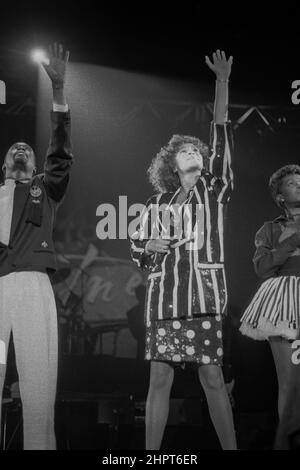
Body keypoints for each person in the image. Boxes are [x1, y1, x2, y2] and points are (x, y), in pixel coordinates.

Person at [130, 50, 236, 450]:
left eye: (198, 151)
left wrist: (221, 82)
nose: (194, 153)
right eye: (185, 152)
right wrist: (147, 245)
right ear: (172, 166)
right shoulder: (157, 205)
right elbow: (137, 249)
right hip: (164, 300)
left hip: (205, 295)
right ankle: (151, 456)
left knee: (212, 378)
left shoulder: (214, 190)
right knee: (159, 379)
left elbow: (221, 132)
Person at [0, 43, 72, 449]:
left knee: (38, 385)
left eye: (27, 148)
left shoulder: (45, 187)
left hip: (31, 284)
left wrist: (58, 90)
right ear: (5, 164)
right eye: (14, 150)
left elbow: (60, 149)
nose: (21, 149)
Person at [240, 165, 300, 433]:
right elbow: (263, 268)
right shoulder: (269, 229)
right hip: (284, 302)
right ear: (279, 197)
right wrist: (293, 240)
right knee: (289, 383)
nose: (299, 185)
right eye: (291, 183)